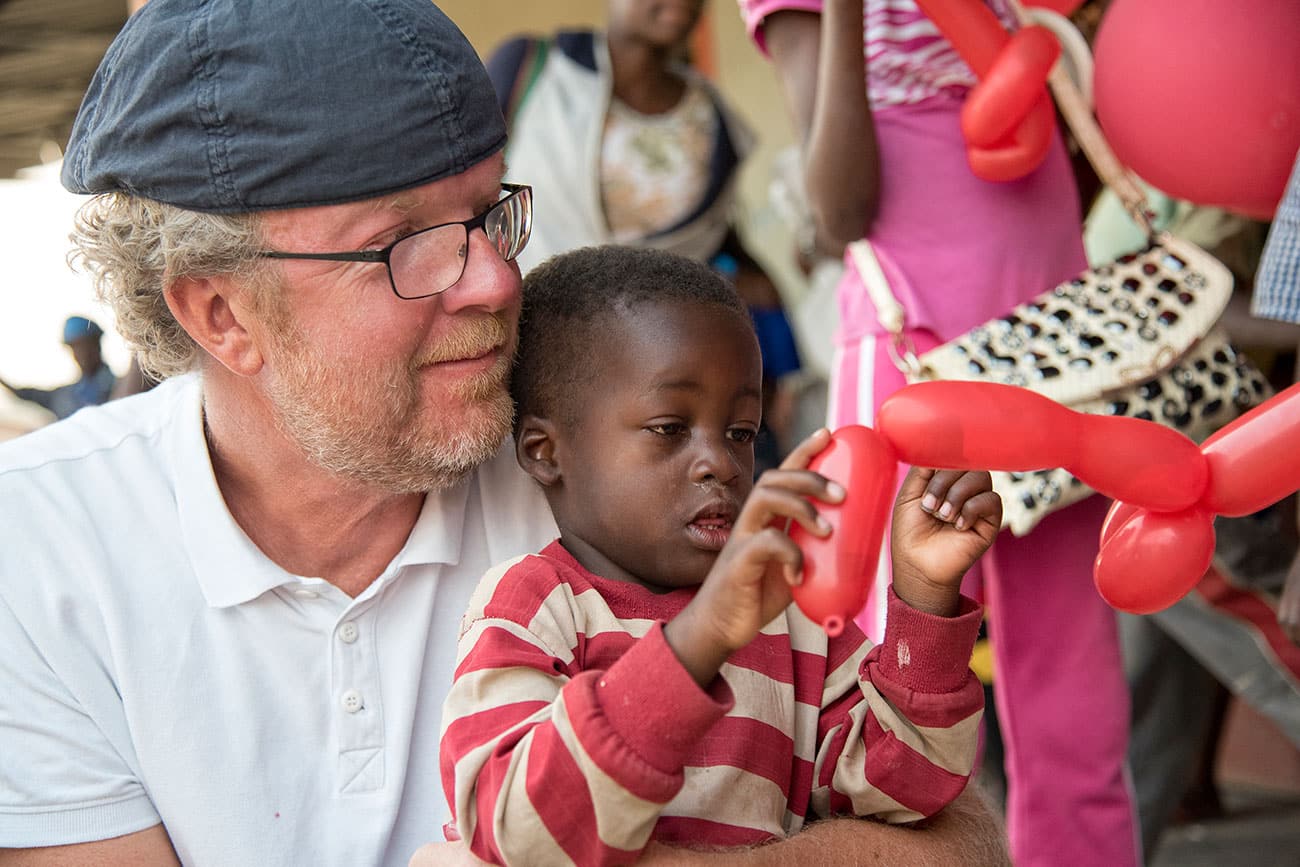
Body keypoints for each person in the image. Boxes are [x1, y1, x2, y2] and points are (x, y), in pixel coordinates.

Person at [0, 1, 1009, 865]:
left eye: (490, 215)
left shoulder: (612, 472)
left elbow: (953, 841)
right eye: (406, 245)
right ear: (223, 315)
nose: (493, 281)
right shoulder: (42, 550)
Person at [737, 2, 1140, 865]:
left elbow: (1080, 144)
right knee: (888, 690)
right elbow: (839, 210)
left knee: (1078, 702)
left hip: (1058, 354)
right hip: (911, 361)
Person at [441, 246, 997, 865]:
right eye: (669, 428)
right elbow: (521, 837)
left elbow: (906, 792)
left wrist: (923, 592)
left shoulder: (794, 621)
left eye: (741, 433)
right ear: (547, 452)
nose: (720, 464)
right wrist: (702, 637)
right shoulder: (530, 605)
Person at [485, 0, 805, 464]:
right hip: (531, 337)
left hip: (657, 353)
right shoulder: (534, 71)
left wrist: (766, 307)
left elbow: (718, 235)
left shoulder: (711, 115)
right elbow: (472, 192)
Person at [0, 315, 116, 419]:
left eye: (85, 345)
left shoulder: (119, 388)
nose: (82, 354)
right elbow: (26, 393)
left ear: (97, 344)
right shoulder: (63, 396)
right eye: (75, 348)